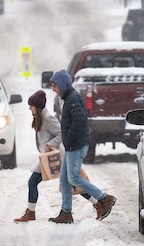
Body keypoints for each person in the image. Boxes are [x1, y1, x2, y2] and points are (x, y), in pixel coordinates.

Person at [13, 90, 102, 223]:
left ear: (37, 107)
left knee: (69, 182)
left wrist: (49, 145)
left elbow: (61, 133)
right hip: (48, 156)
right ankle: (97, 204)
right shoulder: (40, 118)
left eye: (31, 106)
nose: (29, 108)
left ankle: (98, 203)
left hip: (56, 156)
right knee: (67, 182)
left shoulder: (48, 118)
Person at [48, 70, 116, 224]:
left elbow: (79, 122)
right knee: (65, 179)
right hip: (72, 145)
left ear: (63, 85)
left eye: (55, 86)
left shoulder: (72, 99)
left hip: (76, 146)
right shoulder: (69, 98)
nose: (53, 89)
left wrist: (69, 140)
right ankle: (66, 212)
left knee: (73, 178)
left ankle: (104, 198)